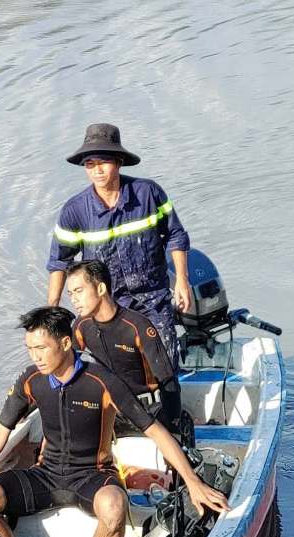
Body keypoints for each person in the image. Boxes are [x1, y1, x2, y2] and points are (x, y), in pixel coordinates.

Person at [0, 307, 226, 537]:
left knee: (114, 506)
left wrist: (193, 482)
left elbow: (155, 431)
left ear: (66, 343)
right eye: (30, 349)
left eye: (41, 348)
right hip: (45, 474)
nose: (35, 356)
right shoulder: (31, 379)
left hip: (93, 475)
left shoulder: (102, 381)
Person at [45, 122, 192, 367]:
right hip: (106, 306)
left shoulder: (148, 193)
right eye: (90, 164)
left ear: (119, 162)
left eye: (103, 162)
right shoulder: (75, 210)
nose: (97, 170)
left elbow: (175, 235)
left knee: (164, 368)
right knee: (112, 373)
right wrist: (52, 309)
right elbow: (60, 261)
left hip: (154, 302)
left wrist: (182, 281)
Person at [65, 257, 186, 435]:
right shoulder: (81, 326)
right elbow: (65, 369)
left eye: (78, 291)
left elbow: (168, 381)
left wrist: (174, 427)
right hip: (111, 414)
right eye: (70, 294)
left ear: (100, 288)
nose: (74, 300)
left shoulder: (138, 326)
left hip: (148, 413)